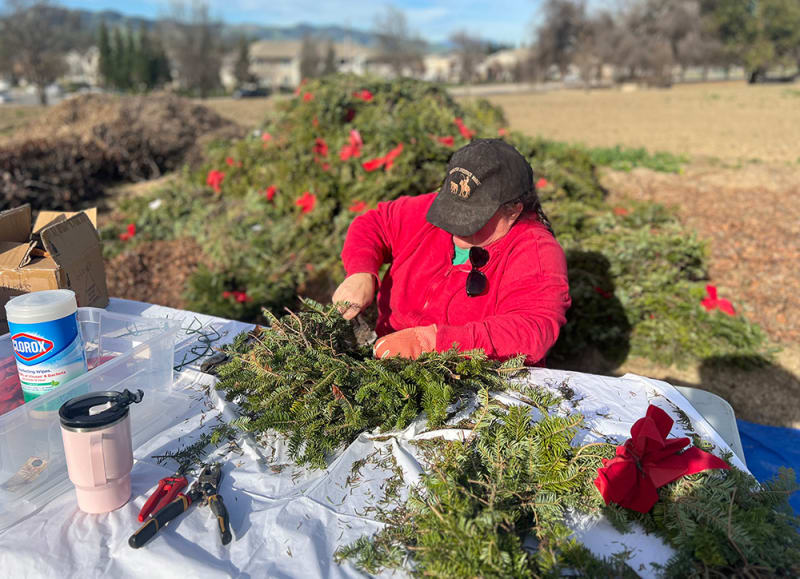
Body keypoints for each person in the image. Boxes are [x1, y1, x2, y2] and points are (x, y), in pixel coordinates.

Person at [332, 138, 571, 364]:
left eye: (472, 217)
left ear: (513, 211)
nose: (455, 227)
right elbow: (375, 224)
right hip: (386, 357)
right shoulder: (428, 211)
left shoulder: (537, 251)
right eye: (453, 210)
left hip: (473, 378)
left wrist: (433, 343)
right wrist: (361, 272)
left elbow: (530, 330)